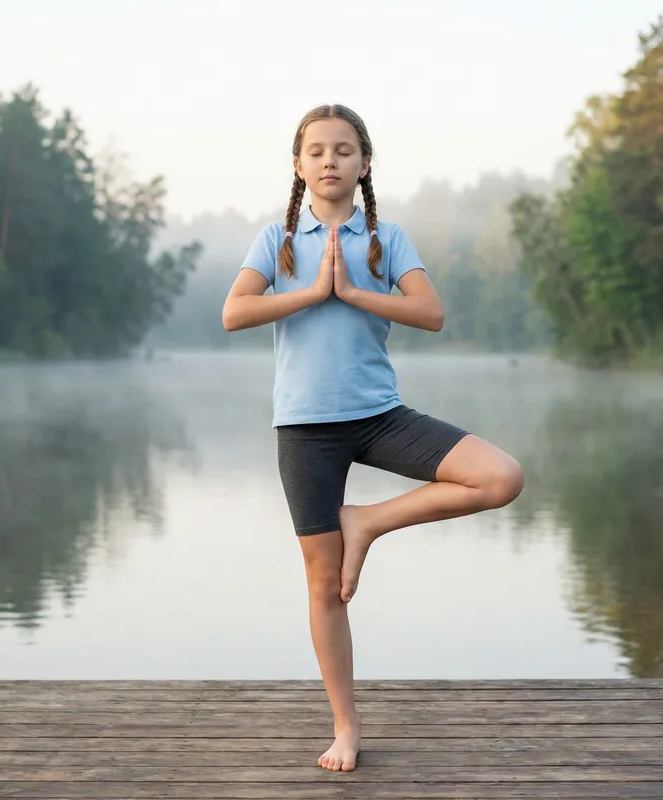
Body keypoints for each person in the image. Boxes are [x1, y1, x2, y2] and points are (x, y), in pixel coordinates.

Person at [222, 104, 524, 773]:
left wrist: (354, 293)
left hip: (379, 417)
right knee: (324, 585)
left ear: (364, 163)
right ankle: (345, 727)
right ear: (299, 165)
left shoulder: (388, 240)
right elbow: (234, 312)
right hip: (304, 428)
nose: (330, 160)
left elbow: (432, 313)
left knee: (500, 476)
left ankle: (369, 522)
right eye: (317, 151)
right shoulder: (279, 240)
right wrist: (311, 293)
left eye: (345, 150)